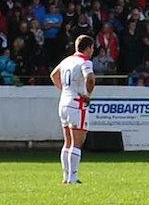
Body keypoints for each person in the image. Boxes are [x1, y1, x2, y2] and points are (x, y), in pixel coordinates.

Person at [51, 36, 97, 185]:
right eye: (92, 48)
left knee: (67, 141)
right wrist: (88, 95)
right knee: (77, 142)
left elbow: (54, 75)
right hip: (77, 103)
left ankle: (65, 177)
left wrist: (64, 89)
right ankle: (73, 177)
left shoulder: (67, 60)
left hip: (63, 102)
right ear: (88, 48)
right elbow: (90, 78)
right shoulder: (85, 62)